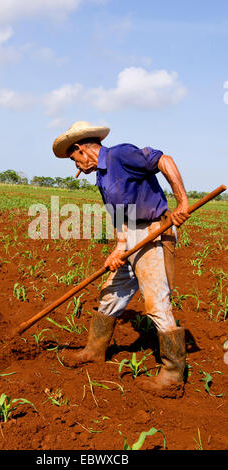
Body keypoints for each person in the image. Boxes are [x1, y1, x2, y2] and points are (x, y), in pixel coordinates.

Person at [52, 121, 190, 398]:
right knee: (111, 294)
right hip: (131, 235)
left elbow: (164, 160)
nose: (76, 166)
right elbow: (120, 214)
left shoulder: (119, 155)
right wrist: (119, 247)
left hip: (153, 230)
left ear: (80, 149)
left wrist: (182, 202)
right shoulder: (102, 177)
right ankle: (94, 350)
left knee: (156, 302)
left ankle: (173, 374)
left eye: (73, 159)